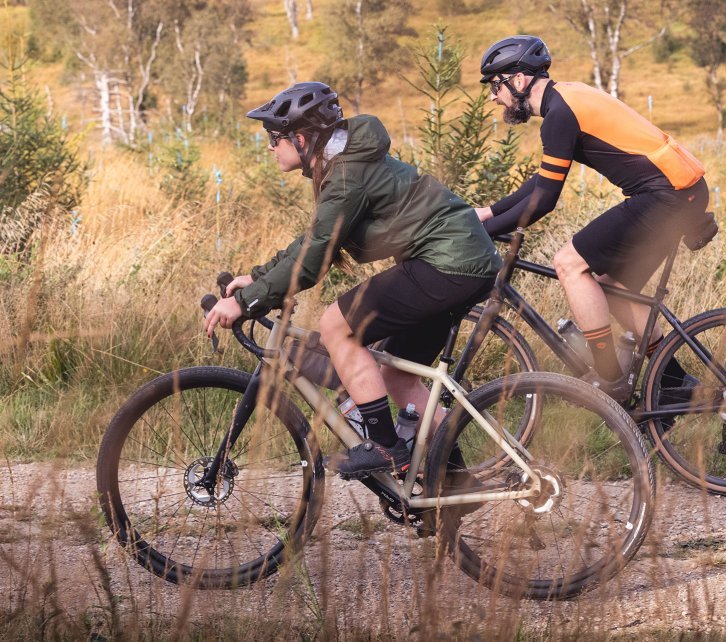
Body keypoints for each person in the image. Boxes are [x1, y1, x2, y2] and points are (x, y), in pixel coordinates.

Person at [203, 81, 501, 478]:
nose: (270, 147)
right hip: (460, 260)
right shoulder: (342, 163)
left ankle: (385, 447)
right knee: (398, 377)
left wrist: (246, 303)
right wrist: (257, 280)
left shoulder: (345, 175)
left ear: (302, 138)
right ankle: (457, 485)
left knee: (335, 325)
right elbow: (316, 238)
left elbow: (315, 256)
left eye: (275, 138)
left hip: (448, 262)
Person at [476, 35, 710, 400]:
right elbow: (543, 182)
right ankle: (673, 382)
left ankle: (609, 379)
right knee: (611, 288)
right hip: (682, 192)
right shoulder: (566, 97)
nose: (494, 97)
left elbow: (545, 200)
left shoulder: (559, 114)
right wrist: (489, 214)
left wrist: (484, 233)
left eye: (495, 85)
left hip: (668, 196)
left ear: (518, 80)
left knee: (570, 263)